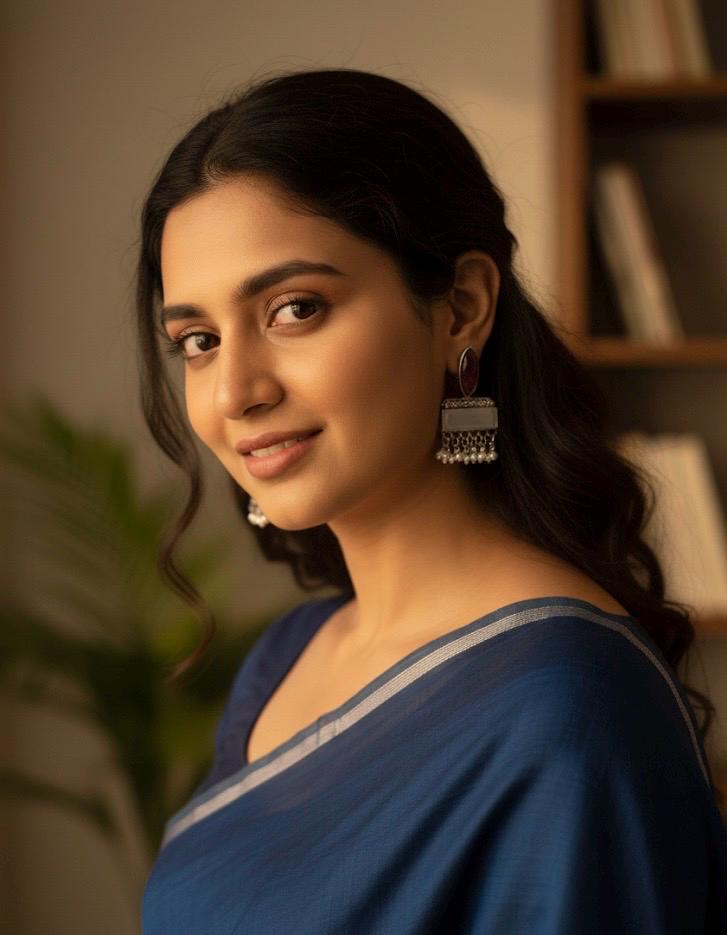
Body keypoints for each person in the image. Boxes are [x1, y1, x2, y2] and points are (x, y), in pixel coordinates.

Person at [137, 68, 727, 933]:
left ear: (461, 307)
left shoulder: (565, 705)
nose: (234, 392)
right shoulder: (286, 656)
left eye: (295, 308)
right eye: (197, 339)